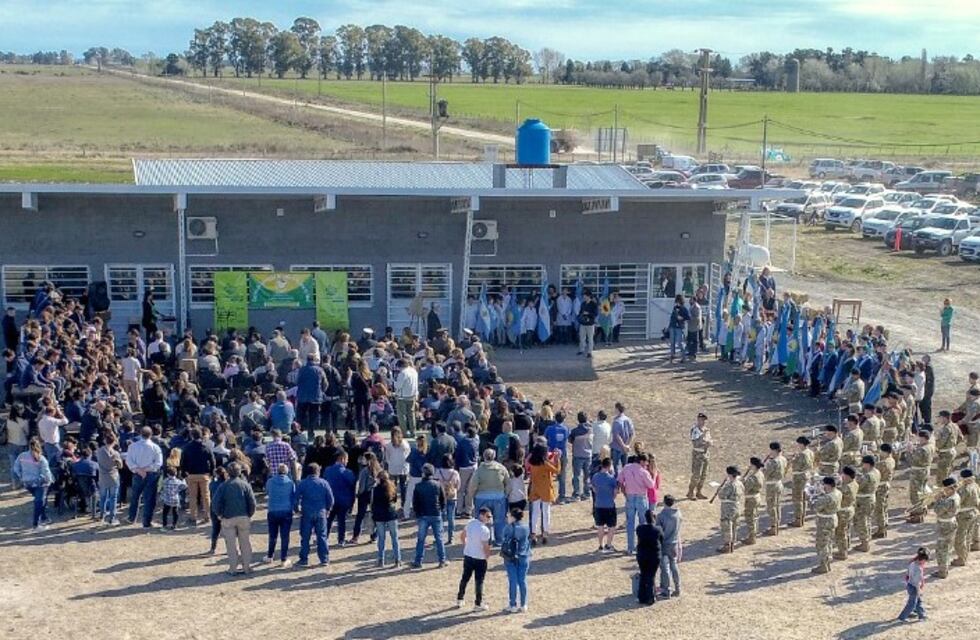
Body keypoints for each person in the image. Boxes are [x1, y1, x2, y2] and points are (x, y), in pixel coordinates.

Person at [212, 462, 257, 575]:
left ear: (228, 472)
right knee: (245, 543)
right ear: (240, 472)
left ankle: (233, 568)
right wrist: (249, 514)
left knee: (230, 544)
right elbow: (252, 502)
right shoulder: (245, 484)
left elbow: (215, 503)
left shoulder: (223, 486)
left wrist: (219, 514)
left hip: (228, 518)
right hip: (243, 516)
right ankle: (247, 567)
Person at [295, 462, 335, 567]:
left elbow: (295, 499)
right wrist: (328, 509)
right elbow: (330, 499)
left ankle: (303, 559)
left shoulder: (302, 483)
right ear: (318, 471)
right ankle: (324, 559)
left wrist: (296, 509)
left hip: (307, 512)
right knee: (322, 536)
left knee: (305, 536)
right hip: (321, 512)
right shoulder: (324, 483)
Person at [469, 448, 509, 544]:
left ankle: (485, 539)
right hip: (499, 497)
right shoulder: (501, 468)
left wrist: (472, 496)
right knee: (499, 520)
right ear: (494, 456)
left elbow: (473, 485)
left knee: (483, 520)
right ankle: (499, 540)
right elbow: (508, 482)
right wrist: (505, 494)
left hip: (481, 497)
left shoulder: (479, 470)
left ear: (484, 457)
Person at [456, 507, 493, 611]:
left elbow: (462, 536)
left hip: (468, 555)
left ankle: (460, 598)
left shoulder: (471, 523)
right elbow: (486, 546)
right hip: (480, 558)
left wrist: (467, 546)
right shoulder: (485, 530)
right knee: (479, 581)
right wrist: (487, 556)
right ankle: (478, 603)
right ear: (482, 515)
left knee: (465, 578)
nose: (489, 519)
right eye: (488, 516)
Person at [126, 426, 163, 528]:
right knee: (149, 498)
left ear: (140, 434)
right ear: (151, 435)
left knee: (135, 496)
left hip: (137, 473)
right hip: (151, 474)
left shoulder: (132, 447)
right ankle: (146, 521)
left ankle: (131, 517)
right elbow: (158, 463)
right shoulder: (155, 447)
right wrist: (146, 469)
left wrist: (138, 469)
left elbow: (129, 461)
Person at [411, 463, 447, 568]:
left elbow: (415, 503)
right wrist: (440, 509)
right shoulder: (437, 484)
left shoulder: (418, 486)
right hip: (435, 513)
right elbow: (443, 499)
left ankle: (418, 561)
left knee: (421, 539)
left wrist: (417, 513)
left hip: (423, 515)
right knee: (439, 538)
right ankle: (442, 560)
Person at [13, 438, 54, 530]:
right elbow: (46, 472)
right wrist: (49, 481)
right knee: (39, 502)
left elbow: (15, 468)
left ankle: (44, 517)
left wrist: (21, 476)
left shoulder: (22, 456)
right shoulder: (41, 459)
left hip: (27, 483)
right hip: (39, 483)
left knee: (39, 499)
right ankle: (36, 524)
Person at [620, 452, 655, 555]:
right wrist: (653, 475)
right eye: (646, 462)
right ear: (642, 461)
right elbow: (651, 485)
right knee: (643, 523)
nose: (647, 464)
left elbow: (620, 481)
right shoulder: (644, 472)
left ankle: (630, 548)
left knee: (630, 523)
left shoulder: (626, 468)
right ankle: (641, 546)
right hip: (641, 497)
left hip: (630, 496)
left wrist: (625, 493)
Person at [179, 427, 215, 526]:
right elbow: (212, 461)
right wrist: (212, 472)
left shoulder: (187, 447)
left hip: (191, 475)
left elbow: (182, 462)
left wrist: (183, 473)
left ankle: (193, 517)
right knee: (206, 497)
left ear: (192, 436)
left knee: (192, 497)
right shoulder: (206, 447)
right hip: (204, 475)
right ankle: (207, 516)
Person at [527, 443, 560, 545]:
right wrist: (557, 459)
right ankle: (545, 533)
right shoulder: (545, 464)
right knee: (546, 513)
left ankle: (533, 533)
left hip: (535, 489)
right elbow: (557, 471)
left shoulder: (532, 463)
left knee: (535, 513)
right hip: (545, 490)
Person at [265, 463, 296, 567]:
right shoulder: (290, 483)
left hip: (273, 510)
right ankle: (283, 558)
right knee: (285, 536)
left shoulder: (270, 481)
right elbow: (293, 496)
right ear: (287, 472)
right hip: (286, 511)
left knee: (272, 535)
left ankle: (270, 556)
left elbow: (267, 492)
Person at [501, 508, 532, 614]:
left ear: (513, 517)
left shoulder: (508, 528)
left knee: (512, 581)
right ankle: (524, 604)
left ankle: (513, 604)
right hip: (524, 555)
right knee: (522, 580)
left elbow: (503, 538)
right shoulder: (526, 527)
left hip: (511, 557)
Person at [812, 476, 841, 574]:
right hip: (833, 519)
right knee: (828, 542)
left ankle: (823, 565)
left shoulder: (827, 497)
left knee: (822, 544)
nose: (823, 486)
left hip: (824, 521)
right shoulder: (838, 493)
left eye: (824, 484)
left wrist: (813, 496)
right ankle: (828, 563)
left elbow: (815, 507)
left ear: (828, 485)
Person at [932, 477, 960, 579]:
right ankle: (944, 568)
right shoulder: (955, 496)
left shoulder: (950, 500)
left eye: (946, 489)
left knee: (942, 549)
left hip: (946, 526)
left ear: (951, 488)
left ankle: (942, 571)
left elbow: (938, 510)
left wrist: (938, 500)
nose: (944, 491)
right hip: (949, 524)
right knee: (947, 548)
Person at [635, 509, 664, 606]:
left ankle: (641, 596)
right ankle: (650, 597)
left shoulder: (640, 528)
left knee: (643, 574)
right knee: (651, 576)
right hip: (654, 555)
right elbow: (662, 540)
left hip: (642, 555)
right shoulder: (658, 529)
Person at [372, 471, 401, 567]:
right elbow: (395, 499)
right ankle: (398, 560)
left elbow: (374, 503)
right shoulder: (392, 487)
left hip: (380, 516)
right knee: (394, 538)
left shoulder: (376, 489)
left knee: (381, 538)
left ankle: (381, 560)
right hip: (391, 514)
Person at [853, 455, 880, 553]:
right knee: (867, 520)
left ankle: (864, 543)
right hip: (871, 498)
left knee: (862, 522)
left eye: (864, 463)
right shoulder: (876, 472)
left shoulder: (868, 476)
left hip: (864, 500)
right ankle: (867, 541)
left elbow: (859, 486)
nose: (863, 465)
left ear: (868, 464)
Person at [906, 430, 935, 524]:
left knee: (915, 493)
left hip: (918, 471)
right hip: (925, 470)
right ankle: (922, 508)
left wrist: (910, 451)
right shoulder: (930, 446)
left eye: (919, 438)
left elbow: (912, 460)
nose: (918, 440)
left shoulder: (922, 449)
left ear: (923, 438)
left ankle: (918, 514)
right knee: (922, 490)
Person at [591, 457, 619, 552]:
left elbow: (594, 489)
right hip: (609, 505)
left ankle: (600, 545)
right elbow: (615, 492)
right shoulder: (611, 479)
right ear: (609, 466)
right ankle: (608, 545)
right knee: (611, 526)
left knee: (600, 526)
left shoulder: (595, 476)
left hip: (598, 504)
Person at [656, 495, 681, 599]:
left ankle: (666, 589)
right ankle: (678, 587)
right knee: (674, 566)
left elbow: (658, 531)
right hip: (674, 543)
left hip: (664, 544)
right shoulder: (678, 514)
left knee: (665, 567)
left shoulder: (661, 515)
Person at [96, 432, 123, 525]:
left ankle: (101, 516)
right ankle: (112, 518)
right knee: (113, 498)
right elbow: (120, 466)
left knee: (103, 497)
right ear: (114, 442)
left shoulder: (99, 451)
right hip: (113, 477)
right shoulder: (115, 454)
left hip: (102, 477)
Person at [716, 466, 744, 554]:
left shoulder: (730, 485)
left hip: (728, 507)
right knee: (735, 525)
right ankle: (733, 543)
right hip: (737, 506)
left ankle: (727, 545)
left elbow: (721, 495)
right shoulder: (740, 483)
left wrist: (720, 489)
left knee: (727, 526)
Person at [898, 547, 929, 622]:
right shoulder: (918, 569)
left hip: (909, 585)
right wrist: (919, 591)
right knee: (912, 604)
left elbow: (908, 574)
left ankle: (922, 615)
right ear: (923, 560)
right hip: (914, 588)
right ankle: (902, 617)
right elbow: (917, 582)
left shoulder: (912, 563)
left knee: (918, 602)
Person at [435, 454, 461, 544]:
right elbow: (458, 486)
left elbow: (435, 484)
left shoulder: (438, 472)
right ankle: (451, 538)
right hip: (452, 496)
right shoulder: (455, 473)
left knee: (440, 518)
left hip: (441, 497)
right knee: (451, 518)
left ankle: (439, 537)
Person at [763, 441, 787, 536]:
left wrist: (763, 466)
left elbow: (766, 473)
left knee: (771, 506)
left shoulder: (773, 462)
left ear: (774, 450)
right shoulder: (783, 459)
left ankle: (773, 527)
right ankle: (777, 524)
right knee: (777, 505)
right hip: (779, 483)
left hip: (772, 485)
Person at [789, 436, 814, 527]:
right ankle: (802, 517)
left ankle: (798, 519)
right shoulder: (810, 452)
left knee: (798, 499)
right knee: (804, 498)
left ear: (802, 444)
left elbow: (798, 466)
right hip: (806, 475)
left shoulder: (802, 454)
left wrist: (793, 460)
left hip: (799, 477)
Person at [569, 412, 593, 501]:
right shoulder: (591, 429)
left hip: (578, 455)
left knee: (576, 476)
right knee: (587, 475)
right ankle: (587, 493)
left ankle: (576, 494)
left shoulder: (575, 431)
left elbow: (570, 440)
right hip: (588, 455)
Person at [687, 413, 711, 500]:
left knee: (704, 474)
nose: (703, 422)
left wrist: (709, 443)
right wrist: (703, 439)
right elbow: (695, 443)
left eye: (704, 420)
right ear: (698, 420)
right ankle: (690, 492)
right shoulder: (695, 430)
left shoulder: (706, 430)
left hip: (705, 454)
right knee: (696, 475)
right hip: (698, 454)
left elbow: (709, 439)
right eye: (701, 420)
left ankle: (699, 492)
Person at [741, 457, 763, 546]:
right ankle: (754, 535)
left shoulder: (753, 477)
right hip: (757, 497)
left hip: (751, 499)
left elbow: (746, 489)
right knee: (755, 516)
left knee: (750, 518)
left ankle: (751, 537)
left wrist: (743, 481)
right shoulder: (760, 473)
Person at [610, 402, 635, 473]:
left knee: (616, 467)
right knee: (625, 467)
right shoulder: (628, 419)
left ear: (617, 409)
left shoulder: (616, 422)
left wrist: (623, 446)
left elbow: (617, 436)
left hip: (617, 448)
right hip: (626, 449)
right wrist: (627, 445)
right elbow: (632, 434)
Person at [159, 466, 186, 530]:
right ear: (176, 473)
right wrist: (183, 480)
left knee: (165, 513)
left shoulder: (165, 481)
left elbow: (162, 487)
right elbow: (184, 486)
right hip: (175, 499)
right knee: (175, 512)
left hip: (167, 499)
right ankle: (174, 525)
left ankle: (164, 525)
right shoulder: (178, 481)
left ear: (167, 474)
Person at [668, 294, 690, 363]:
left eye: (678, 301)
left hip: (679, 327)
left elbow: (688, 317)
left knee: (679, 342)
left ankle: (683, 357)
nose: (677, 303)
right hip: (673, 326)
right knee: (672, 342)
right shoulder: (675, 308)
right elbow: (672, 317)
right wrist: (669, 326)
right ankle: (672, 355)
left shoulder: (684, 309)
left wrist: (682, 318)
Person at [577, 290, 599, 357]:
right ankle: (581, 350)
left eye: (585, 295)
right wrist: (580, 316)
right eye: (584, 295)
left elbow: (596, 313)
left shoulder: (593, 304)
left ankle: (589, 352)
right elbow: (580, 312)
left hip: (590, 323)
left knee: (590, 338)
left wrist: (588, 313)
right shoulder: (583, 304)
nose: (584, 297)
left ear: (588, 296)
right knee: (582, 337)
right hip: (583, 323)